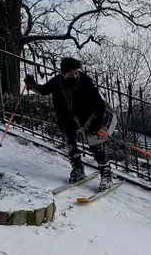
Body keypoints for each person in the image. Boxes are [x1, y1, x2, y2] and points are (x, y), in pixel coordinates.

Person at [24, 57, 117, 191]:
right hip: (65, 117)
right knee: (70, 143)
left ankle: (106, 172)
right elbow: (44, 90)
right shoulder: (57, 81)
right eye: (70, 73)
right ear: (63, 72)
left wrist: (97, 122)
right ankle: (77, 168)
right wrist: (32, 85)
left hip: (87, 117)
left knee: (95, 144)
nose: (74, 75)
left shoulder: (85, 81)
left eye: (76, 72)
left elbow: (99, 103)